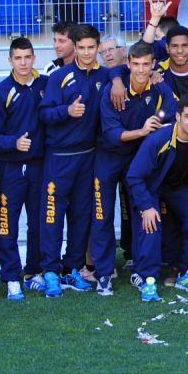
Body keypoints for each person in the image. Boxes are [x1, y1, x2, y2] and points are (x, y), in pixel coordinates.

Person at [91, 42, 177, 296]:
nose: (141, 70)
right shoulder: (112, 90)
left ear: (153, 66)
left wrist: (157, 120)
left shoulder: (160, 88)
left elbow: (168, 113)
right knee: (102, 215)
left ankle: (141, 271)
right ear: (127, 64)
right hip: (108, 156)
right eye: (136, 64)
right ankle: (104, 274)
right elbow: (112, 134)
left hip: (139, 158)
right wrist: (142, 130)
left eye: (146, 65)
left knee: (144, 210)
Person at [38, 24, 111, 298]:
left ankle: (73, 268)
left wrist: (115, 81)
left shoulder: (105, 76)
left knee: (81, 216)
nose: (86, 52)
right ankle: (50, 272)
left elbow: (120, 74)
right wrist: (67, 110)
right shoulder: (60, 76)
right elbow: (44, 113)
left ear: (98, 47)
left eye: (91, 47)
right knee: (52, 217)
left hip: (89, 156)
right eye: (81, 48)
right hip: (59, 158)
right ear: (75, 48)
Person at [125, 93, 188, 302]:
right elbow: (134, 175)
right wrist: (145, 206)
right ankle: (145, 277)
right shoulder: (158, 139)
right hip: (148, 187)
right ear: (178, 117)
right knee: (151, 223)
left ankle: (186, 273)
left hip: (176, 187)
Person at [0, 39, 48, 301]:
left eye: (27, 57)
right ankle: (12, 277)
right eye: (18, 58)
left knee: (37, 224)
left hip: (39, 167)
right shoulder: (0, 92)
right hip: (11, 169)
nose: (23, 63)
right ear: (10, 60)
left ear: (34, 58)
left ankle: (33, 273)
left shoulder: (45, 85)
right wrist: (14, 143)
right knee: (7, 225)